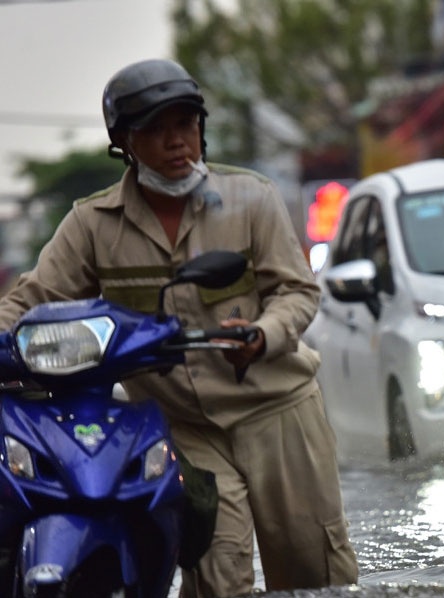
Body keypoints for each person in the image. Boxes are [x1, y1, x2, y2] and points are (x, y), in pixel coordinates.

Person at [0, 58, 358, 596]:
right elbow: (31, 302)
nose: (177, 142)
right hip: (184, 425)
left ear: (201, 129)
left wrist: (262, 333)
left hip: (276, 410)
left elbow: (298, 291)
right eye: (157, 130)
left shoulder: (252, 198)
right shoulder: (91, 223)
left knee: (312, 571)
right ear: (123, 141)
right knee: (215, 572)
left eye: (186, 125)